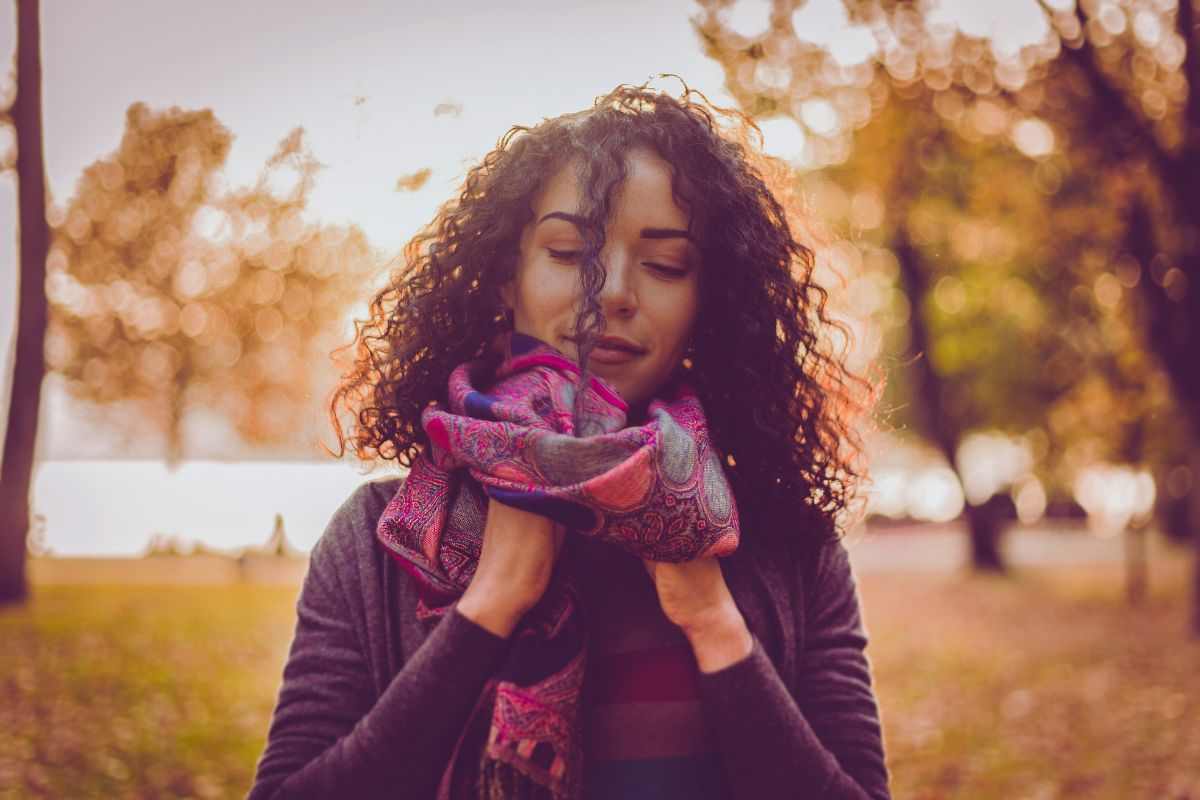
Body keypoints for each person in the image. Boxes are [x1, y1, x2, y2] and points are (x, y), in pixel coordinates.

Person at [248, 81, 890, 800]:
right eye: (567, 250)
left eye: (665, 264)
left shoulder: (790, 548)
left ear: (710, 302)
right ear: (504, 278)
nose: (612, 291)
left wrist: (715, 626)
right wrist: (488, 606)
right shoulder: (379, 541)